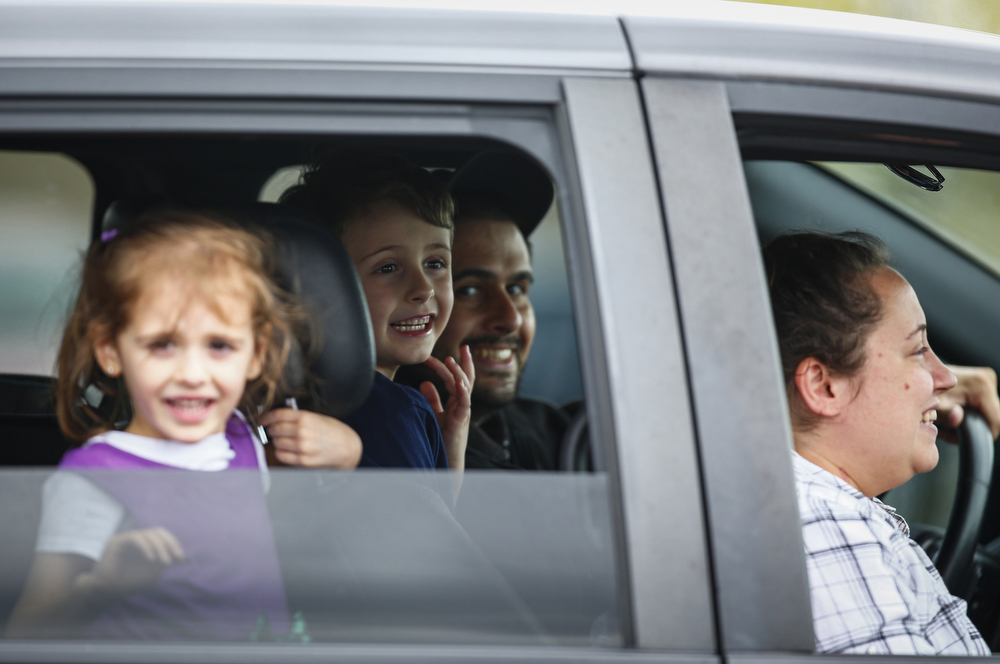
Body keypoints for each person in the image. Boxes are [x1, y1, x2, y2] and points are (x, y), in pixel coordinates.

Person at [7, 211, 304, 640]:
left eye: (219, 345)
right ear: (110, 350)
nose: (192, 373)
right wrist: (101, 588)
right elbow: (28, 629)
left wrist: (344, 450)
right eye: (163, 345)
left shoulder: (243, 437)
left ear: (255, 355)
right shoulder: (96, 476)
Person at [764, 230, 989, 655]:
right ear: (824, 385)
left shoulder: (795, 505)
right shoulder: (827, 524)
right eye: (918, 349)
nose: (946, 378)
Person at [280, 148, 474, 471]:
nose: (423, 288)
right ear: (322, 288)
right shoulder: (392, 413)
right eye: (387, 268)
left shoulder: (307, 398)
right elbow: (431, 524)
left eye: (435, 263)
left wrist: (447, 453)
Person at [397, 150, 570, 470]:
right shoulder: (382, 453)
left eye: (517, 289)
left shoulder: (571, 439)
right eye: (471, 290)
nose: (510, 319)